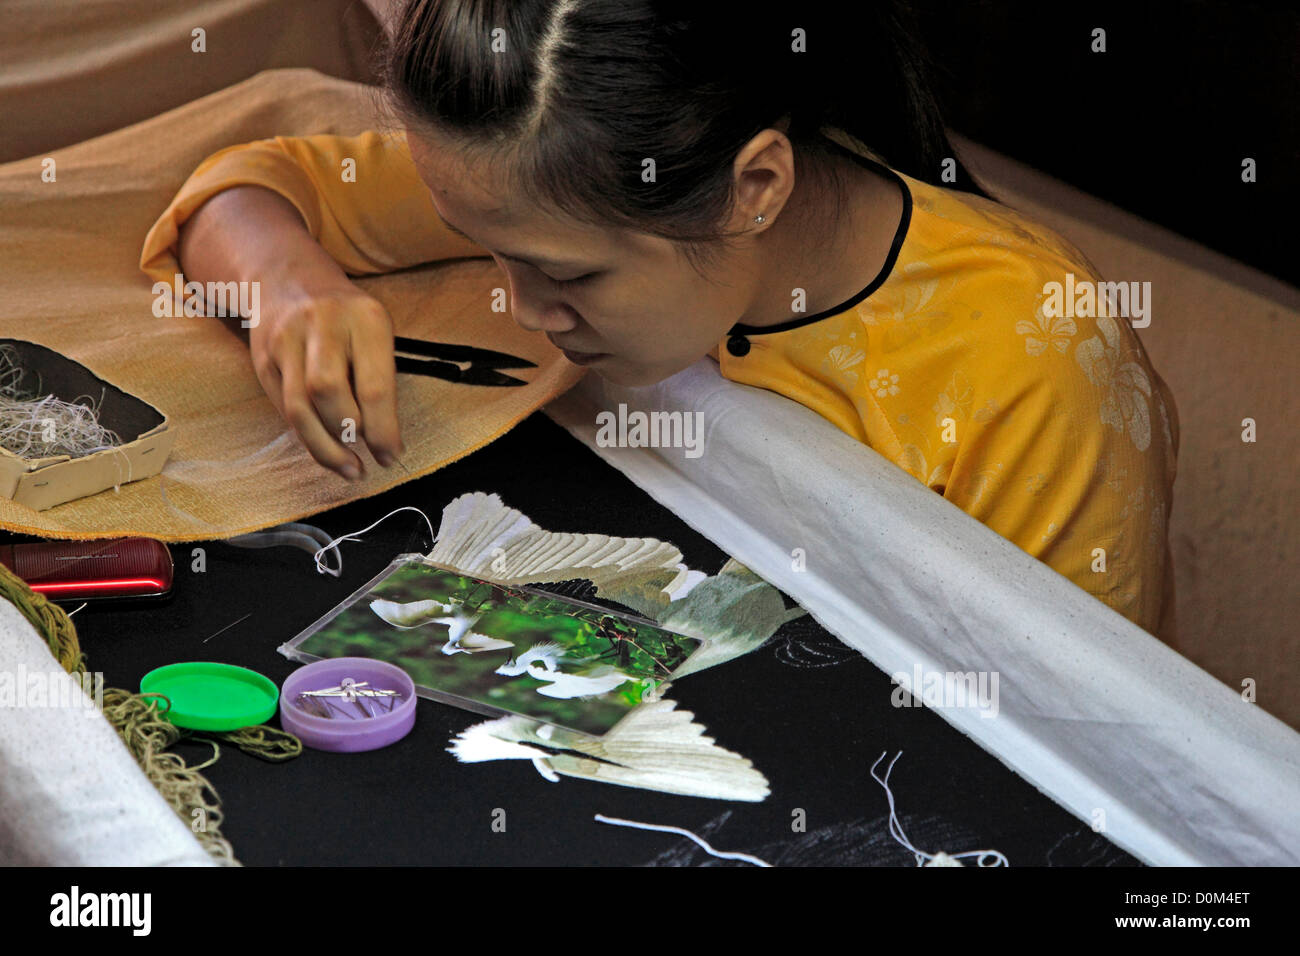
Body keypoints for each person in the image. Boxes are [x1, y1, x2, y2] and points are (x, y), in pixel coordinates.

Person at [141, 0, 1179, 638]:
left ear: (755, 185)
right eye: (488, 247)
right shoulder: (545, 170)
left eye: (569, 279)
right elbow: (246, 192)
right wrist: (291, 289)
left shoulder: (1031, 352)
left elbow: (1078, 735)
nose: (520, 306)